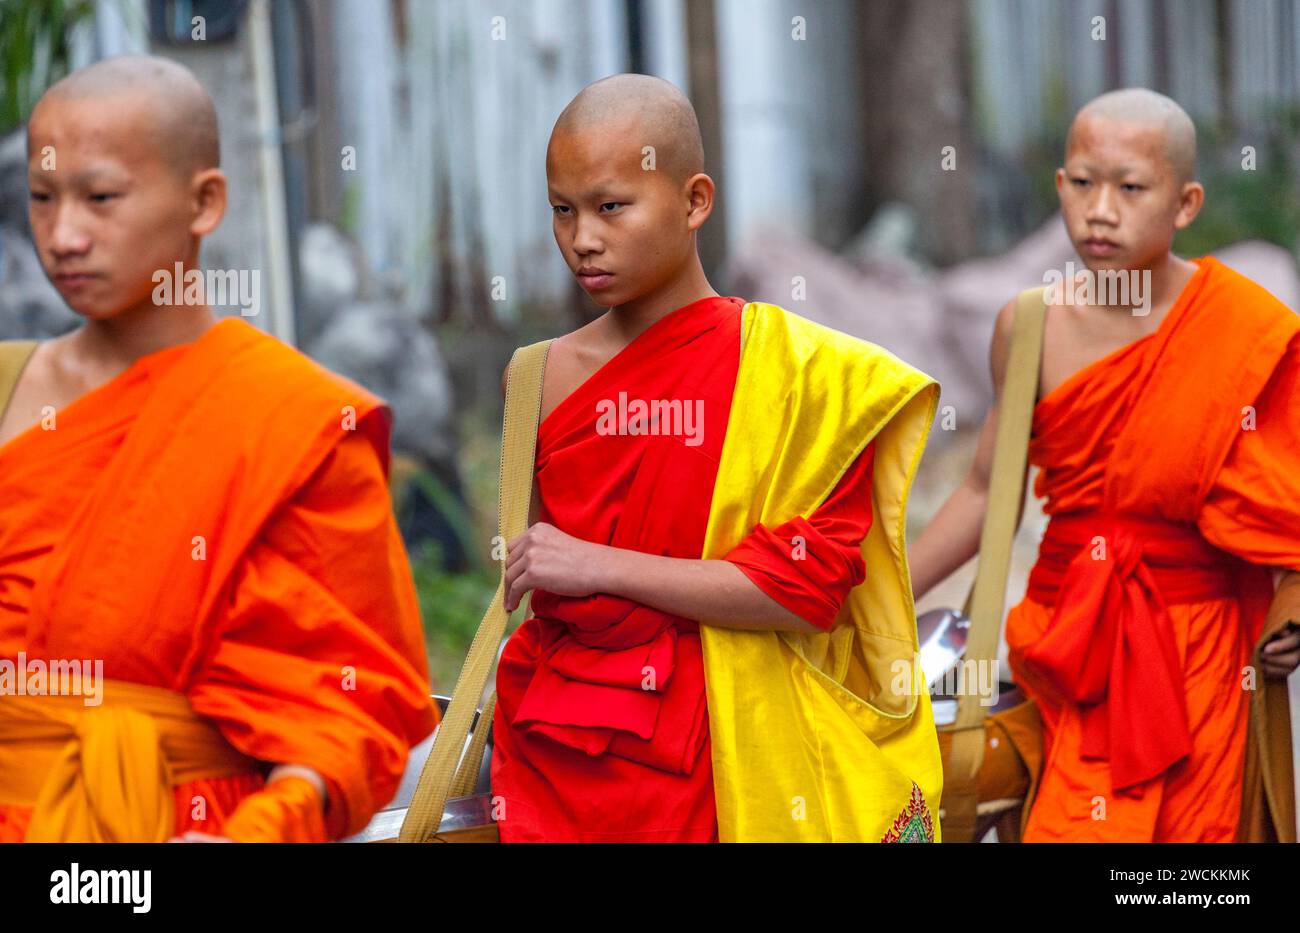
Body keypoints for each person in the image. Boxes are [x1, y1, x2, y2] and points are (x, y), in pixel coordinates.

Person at [490, 74, 942, 842]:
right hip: (562, 753)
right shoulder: (534, 375)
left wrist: (601, 564)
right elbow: (540, 575)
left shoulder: (799, 375)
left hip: (732, 753)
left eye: (610, 206)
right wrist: (574, 570)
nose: (582, 239)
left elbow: (801, 591)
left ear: (695, 200)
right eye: (562, 210)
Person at [0, 55, 437, 842]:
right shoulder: (4, 386)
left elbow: (347, 706)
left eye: (100, 198)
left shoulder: (289, 419)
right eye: (41, 198)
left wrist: (263, 832)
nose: (62, 235)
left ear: (204, 202)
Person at [909, 88, 1300, 842]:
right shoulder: (1030, 328)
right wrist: (880, 599)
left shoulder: (1246, 330)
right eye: (1083, 183)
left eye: (1130, 188)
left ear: (1185, 203)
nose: (1100, 209)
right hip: (1072, 647)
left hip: (1205, 654)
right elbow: (987, 489)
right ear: (1059, 187)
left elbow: (1284, 502)